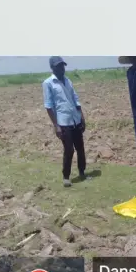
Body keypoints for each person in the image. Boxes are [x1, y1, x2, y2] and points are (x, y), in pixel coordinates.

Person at [42, 56, 86, 187]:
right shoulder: (48, 83)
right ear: (52, 68)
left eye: (63, 66)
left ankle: (82, 172)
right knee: (69, 149)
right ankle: (66, 177)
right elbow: (48, 106)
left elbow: (75, 99)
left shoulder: (68, 81)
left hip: (75, 119)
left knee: (80, 148)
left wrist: (82, 117)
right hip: (62, 121)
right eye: (58, 66)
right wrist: (56, 126)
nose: (62, 68)